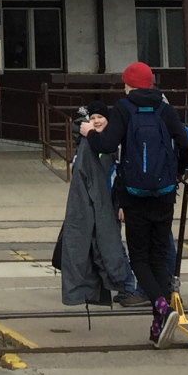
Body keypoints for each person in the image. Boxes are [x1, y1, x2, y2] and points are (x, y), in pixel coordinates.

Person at [78, 61, 188, 347]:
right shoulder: (164, 108)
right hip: (164, 193)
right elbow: (187, 143)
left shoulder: (124, 108)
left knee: (140, 258)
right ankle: (159, 323)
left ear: (129, 85)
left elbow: (106, 145)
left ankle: (162, 307)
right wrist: (179, 171)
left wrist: (89, 133)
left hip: (134, 194)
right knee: (159, 255)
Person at [52, 102, 136, 310]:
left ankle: (127, 284)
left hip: (111, 204)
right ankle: (117, 283)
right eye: (92, 118)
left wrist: (122, 204)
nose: (96, 121)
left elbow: (121, 177)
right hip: (93, 204)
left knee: (112, 245)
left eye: (100, 117)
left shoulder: (113, 145)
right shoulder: (85, 145)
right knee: (100, 246)